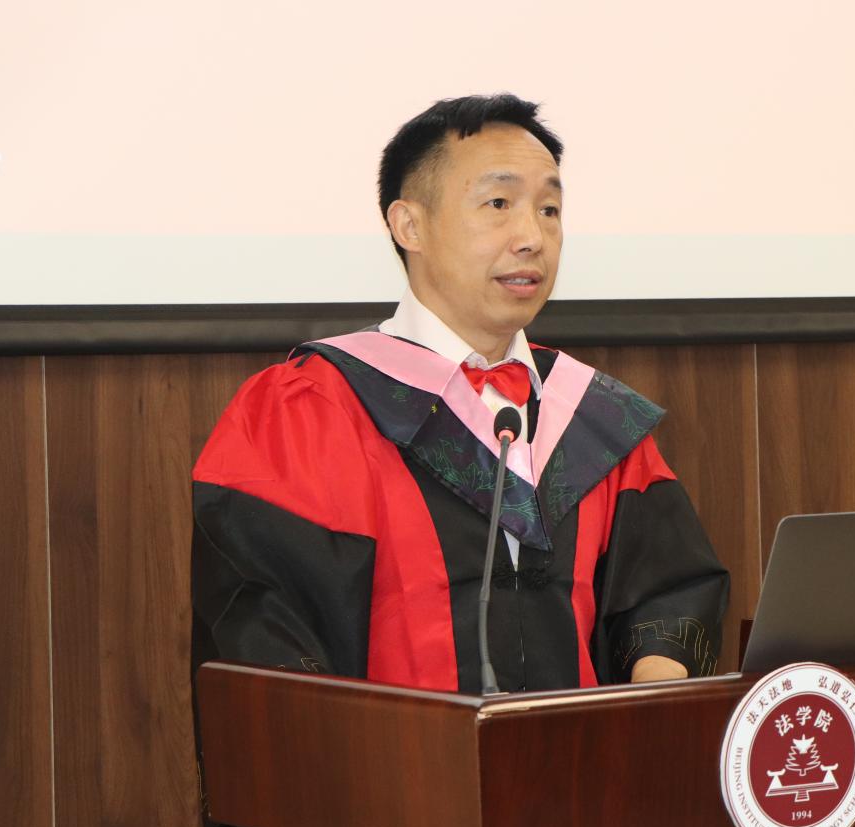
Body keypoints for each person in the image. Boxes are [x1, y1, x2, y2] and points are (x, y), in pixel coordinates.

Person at [191, 93, 729, 702]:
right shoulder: (311, 408)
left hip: (581, 756)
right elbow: (268, 631)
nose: (532, 237)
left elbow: (667, 589)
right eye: (498, 204)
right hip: (397, 759)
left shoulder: (592, 417)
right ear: (409, 226)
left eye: (549, 209)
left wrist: (653, 689)